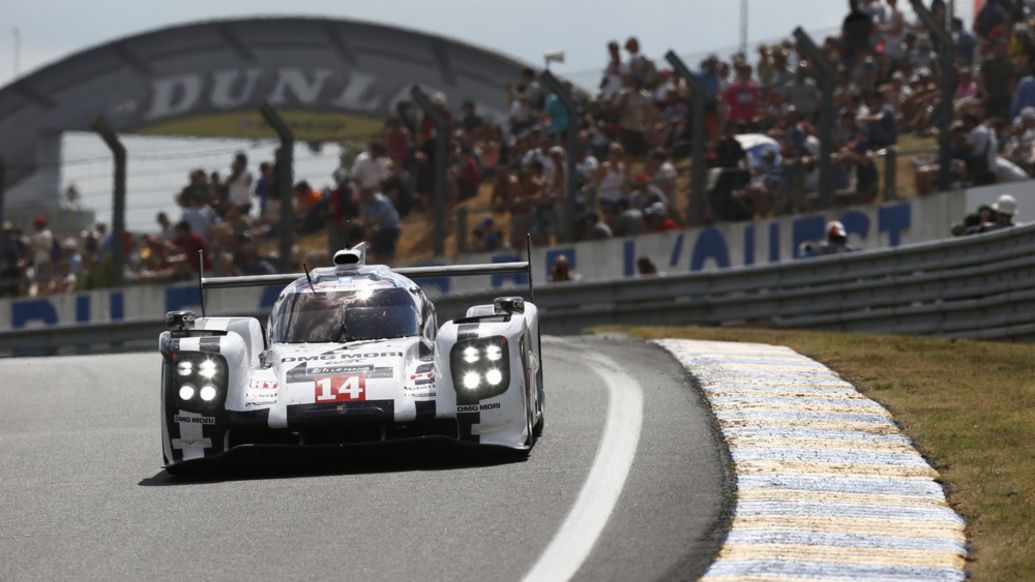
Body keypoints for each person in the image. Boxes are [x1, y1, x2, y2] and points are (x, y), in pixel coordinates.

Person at [360, 187, 402, 264]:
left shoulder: (383, 201)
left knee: (387, 252)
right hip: (380, 229)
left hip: (392, 228)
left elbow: (380, 217)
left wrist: (368, 224)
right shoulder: (366, 203)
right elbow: (365, 218)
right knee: (376, 251)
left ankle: (391, 266)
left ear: (371, 195)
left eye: (367, 197)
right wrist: (366, 230)